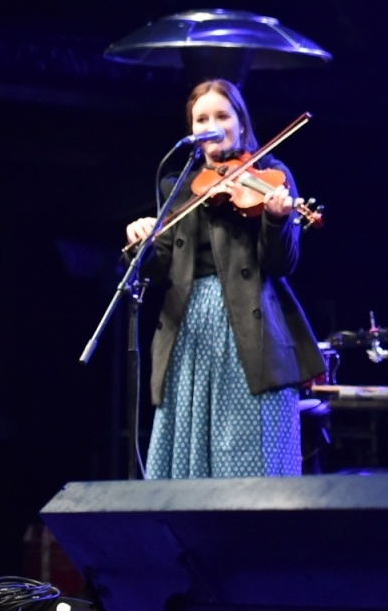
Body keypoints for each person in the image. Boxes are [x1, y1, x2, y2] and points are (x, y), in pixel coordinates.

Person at [124, 78, 325, 479]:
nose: (211, 124)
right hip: (189, 331)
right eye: (202, 118)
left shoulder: (271, 174)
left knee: (251, 460)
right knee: (186, 466)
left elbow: (282, 264)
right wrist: (140, 243)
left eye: (221, 115)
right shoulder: (178, 186)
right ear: (192, 130)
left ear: (240, 122)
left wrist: (277, 219)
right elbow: (160, 268)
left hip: (252, 331)